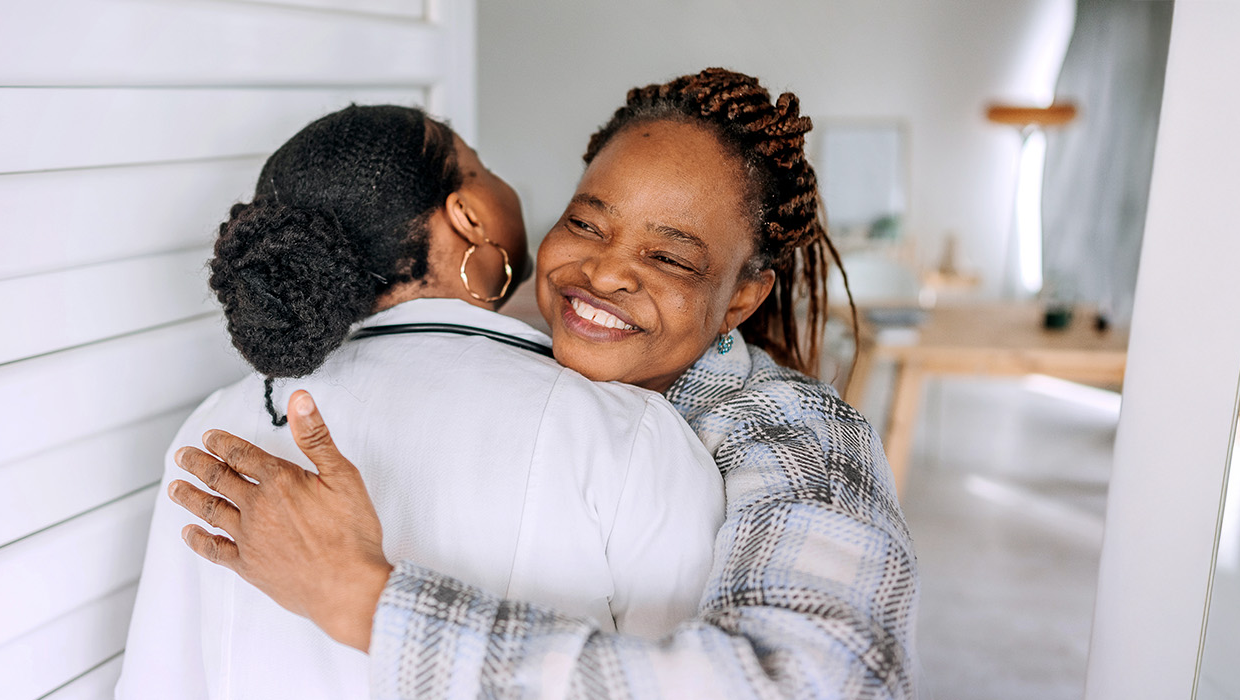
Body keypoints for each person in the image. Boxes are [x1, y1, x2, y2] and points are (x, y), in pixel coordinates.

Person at [171, 69, 920, 698]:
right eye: (587, 225)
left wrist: (360, 599)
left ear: (742, 301)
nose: (604, 272)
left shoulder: (802, 437)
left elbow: (816, 681)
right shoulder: (543, 355)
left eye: (671, 259)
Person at [117, 105, 725, 699]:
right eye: (485, 168)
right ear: (469, 216)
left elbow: (155, 682)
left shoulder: (212, 433)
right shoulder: (626, 434)